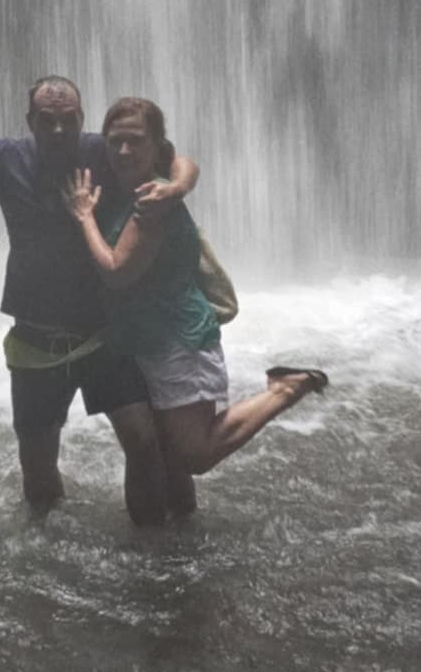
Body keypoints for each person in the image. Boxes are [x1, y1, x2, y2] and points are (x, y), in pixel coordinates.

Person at [0, 70, 201, 523]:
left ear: (81, 119)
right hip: (36, 337)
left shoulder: (103, 151)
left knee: (143, 439)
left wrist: (178, 187)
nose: (58, 130)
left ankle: (151, 552)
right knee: (37, 467)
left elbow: (176, 160)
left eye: (68, 120)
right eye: (47, 120)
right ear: (29, 120)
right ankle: (44, 558)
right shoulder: (4, 158)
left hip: (104, 332)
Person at [61, 96, 327, 477]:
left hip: (179, 339)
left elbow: (116, 271)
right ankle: (175, 526)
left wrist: (85, 216)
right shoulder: (138, 181)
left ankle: (285, 389)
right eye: (115, 140)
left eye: (136, 139)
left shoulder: (150, 201)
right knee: (172, 453)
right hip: (149, 339)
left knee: (194, 455)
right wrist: (181, 184)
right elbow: (186, 164)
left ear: (156, 145)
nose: (124, 149)